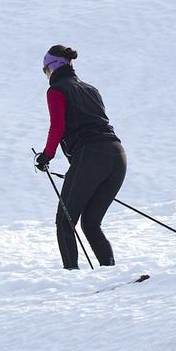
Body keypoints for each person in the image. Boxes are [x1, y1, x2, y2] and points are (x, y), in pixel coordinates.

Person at [34, 44, 126, 269]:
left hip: (91, 154)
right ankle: (110, 271)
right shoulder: (91, 89)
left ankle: (71, 276)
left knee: (65, 221)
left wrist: (46, 156)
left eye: (44, 69)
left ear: (52, 67)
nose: (45, 74)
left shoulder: (56, 90)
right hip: (117, 155)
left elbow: (57, 126)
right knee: (91, 222)